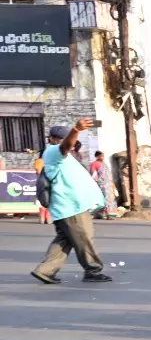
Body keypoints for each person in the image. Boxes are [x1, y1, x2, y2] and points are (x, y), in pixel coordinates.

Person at [31, 121, 111, 285]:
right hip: (70, 207)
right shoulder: (54, 152)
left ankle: (45, 271)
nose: (66, 141)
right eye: (61, 138)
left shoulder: (66, 157)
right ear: (51, 139)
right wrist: (75, 130)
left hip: (66, 207)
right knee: (84, 238)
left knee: (65, 239)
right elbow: (64, 147)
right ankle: (92, 270)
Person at [88, 150, 119, 218]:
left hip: (109, 184)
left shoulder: (104, 164)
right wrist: (96, 183)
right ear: (97, 156)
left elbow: (109, 175)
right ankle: (105, 214)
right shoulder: (94, 164)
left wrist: (113, 184)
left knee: (111, 198)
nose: (102, 157)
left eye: (103, 156)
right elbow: (93, 175)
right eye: (101, 156)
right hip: (101, 184)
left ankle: (111, 213)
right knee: (104, 198)